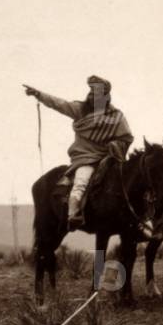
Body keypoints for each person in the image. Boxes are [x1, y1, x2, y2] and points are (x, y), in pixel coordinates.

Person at [23, 75, 133, 232]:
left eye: (98, 94)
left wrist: (115, 145)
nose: (94, 97)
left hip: (109, 157)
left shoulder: (117, 117)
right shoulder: (81, 110)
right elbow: (59, 103)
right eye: (92, 93)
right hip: (86, 159)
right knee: (81, 182)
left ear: (106, 97)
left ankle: (140, 218)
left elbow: (126, 137)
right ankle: (73, 215)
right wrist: (38, 94)